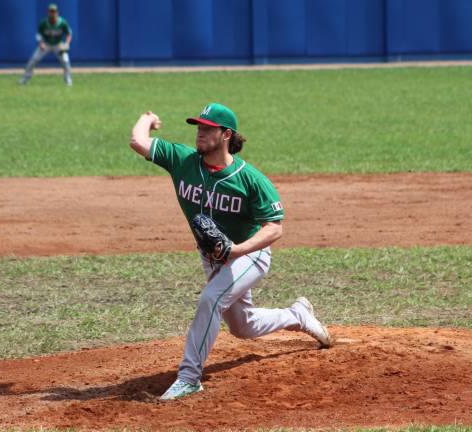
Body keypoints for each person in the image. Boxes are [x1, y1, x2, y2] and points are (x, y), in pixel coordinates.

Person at [129, 103, 334, 401]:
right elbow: (138, 141)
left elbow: (274, 228)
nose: (199, 133)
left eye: (207, 129)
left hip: (250, 254)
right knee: (243, 326)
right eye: (198, 127)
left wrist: (238, 250)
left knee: (211, 299)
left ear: (226, 135)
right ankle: (297, 315)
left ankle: (189, 378)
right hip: (214, 258)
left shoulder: (250, 179)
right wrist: (146, 119)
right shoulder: (183, 160)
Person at [18, 3, 73, 86]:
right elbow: (38, 35)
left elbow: (69, 33)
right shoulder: (43, 23)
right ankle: (25, 78)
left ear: (57, 12)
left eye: (54, 11)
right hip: (46, 44)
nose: (52, 13)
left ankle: (68, 78)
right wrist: (41, 43)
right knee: (33, 60)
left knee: (65, 61)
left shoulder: (62, 22)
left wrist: (67, 43)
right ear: (48, 13)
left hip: (58, 44)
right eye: (51, 11)